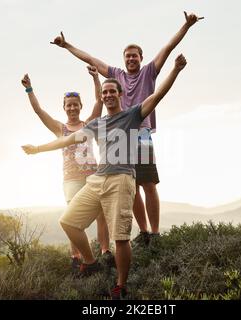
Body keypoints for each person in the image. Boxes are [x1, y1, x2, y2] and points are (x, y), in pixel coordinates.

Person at [22, 54, 187, 299]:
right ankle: (90, 262)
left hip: (122, 179)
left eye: (112, 91)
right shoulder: (96, 124)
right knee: (68, 222)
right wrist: (38, 149)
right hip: (97, 179)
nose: (108, 95)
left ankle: (120, 285)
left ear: (120, 95)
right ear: (101, 97)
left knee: (120, 238)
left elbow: (157, 96)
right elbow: (66, 140)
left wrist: (175, 70)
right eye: (105, 92)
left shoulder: (132, 115)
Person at [50, 12, 203, 245]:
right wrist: (67, 45)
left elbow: (168, 47)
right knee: (129, 186)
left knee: (148, 183)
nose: (131, 59)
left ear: (141, 58)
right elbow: (90, 59)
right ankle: (143, 233)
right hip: (118, 138)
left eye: (134, 56)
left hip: (140, 135)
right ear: (123, 60)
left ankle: (155, 232)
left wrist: (187, 26)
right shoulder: (116, 76)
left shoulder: (149, 72)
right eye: (127, 56)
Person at [21, 66, 115, 272]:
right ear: (64, 108)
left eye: (75, 105)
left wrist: (95, 78)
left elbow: (99, 101)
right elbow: (39, 111)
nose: (72, 108)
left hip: (93, 175)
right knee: (73, 218)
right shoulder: (59, 129)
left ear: (80, 106)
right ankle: (77, 256)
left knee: (101, 215)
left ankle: (105, 251)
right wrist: (29, 90)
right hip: (71, 180)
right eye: (68, 105)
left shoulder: (90, 123)